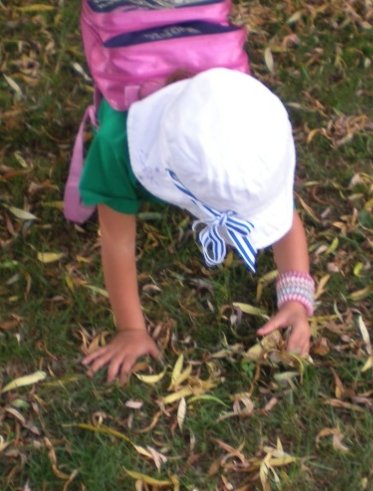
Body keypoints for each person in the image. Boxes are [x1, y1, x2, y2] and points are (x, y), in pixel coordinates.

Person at [78, 68, 315, 384]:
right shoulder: (116, 149)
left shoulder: (250, 120)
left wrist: (296, 302)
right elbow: (116, 239)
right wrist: (131, 329)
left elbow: (282, 214)